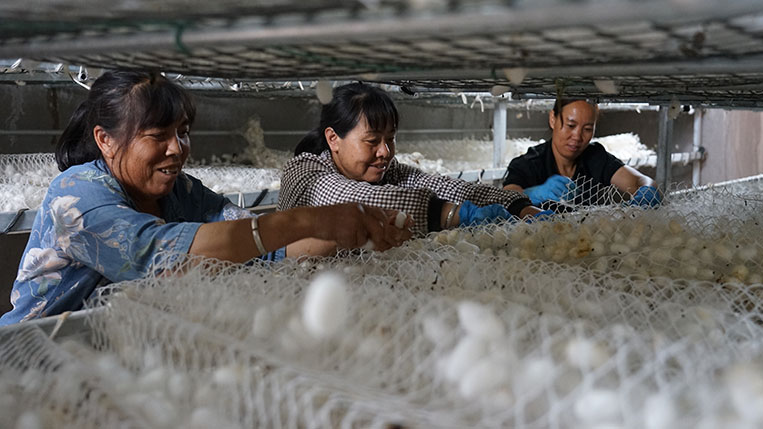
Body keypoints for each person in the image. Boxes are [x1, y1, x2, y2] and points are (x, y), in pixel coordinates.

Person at [0, 72, 410, 325]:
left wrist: (351, 231)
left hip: (116, 348)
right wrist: (308, 220)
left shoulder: (183, 192)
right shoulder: (76, 196)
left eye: (182, 132)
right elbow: (157, 259)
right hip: (34, 357)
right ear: (105, 140)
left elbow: (262, 248)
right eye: (157, 136)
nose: (177, 148)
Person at [278, 83, 545, 239]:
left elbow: (443, 186)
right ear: (333, 139)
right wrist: (452, 214)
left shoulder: (387, 172)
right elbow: (354, 200)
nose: (384, 151)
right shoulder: (303, 173)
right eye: (372, 141)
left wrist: (516, 205)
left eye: (390, 139)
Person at [503, 99, 662, 209]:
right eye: (571, 125)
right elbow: (505, 197)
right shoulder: (527, 164)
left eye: (587, 129)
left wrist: (646, 192)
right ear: (553, 119)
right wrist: (532, 194)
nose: (577, 137)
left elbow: (641, 181)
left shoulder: (595, 157)